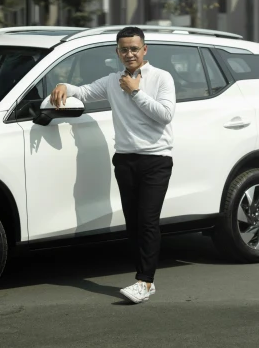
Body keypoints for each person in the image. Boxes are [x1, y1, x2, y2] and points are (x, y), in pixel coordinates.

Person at [49, 26, 176, 304]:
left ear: (145, 50)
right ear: (117, 52)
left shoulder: (161, 78)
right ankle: (145, 279)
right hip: (125, 159)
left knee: (147, 221)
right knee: (133, 223)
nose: (129, 54)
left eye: (134, 48)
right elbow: (82, 91)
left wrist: (135, 92)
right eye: (124, 49)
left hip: (156, 160)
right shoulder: (112, 80)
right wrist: (63, 86)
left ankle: (144, 281)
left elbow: (165, 115)